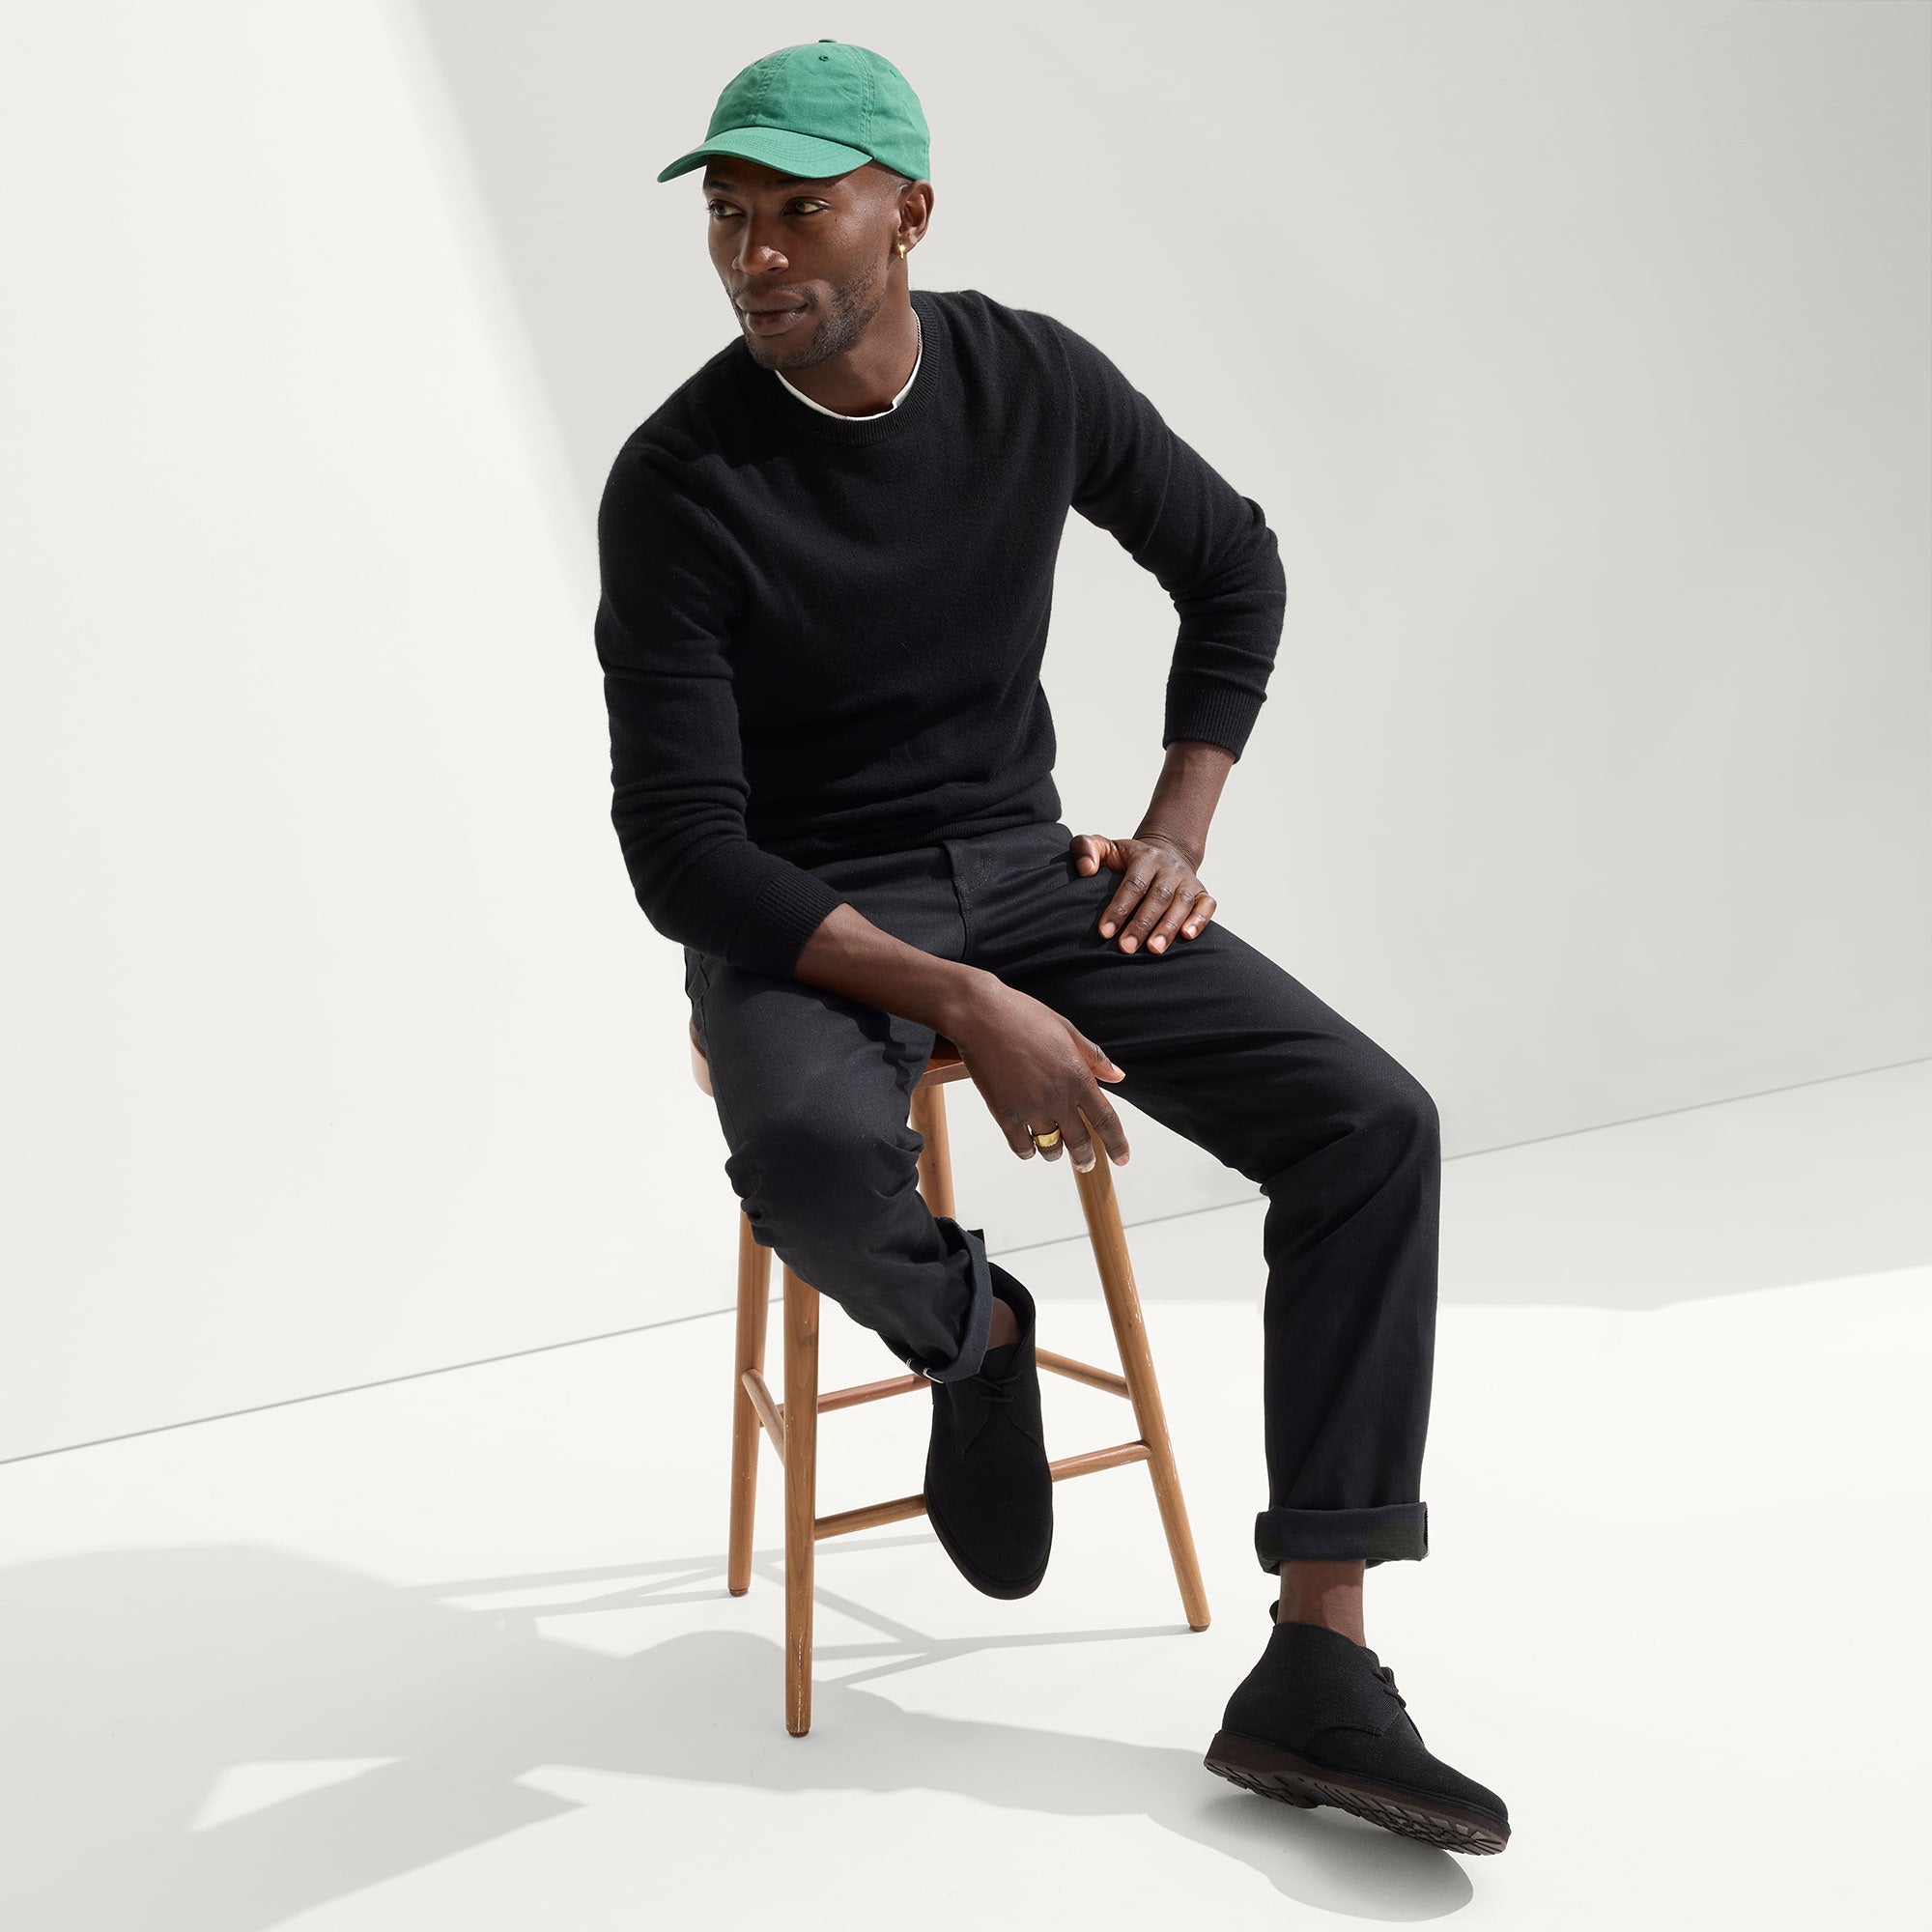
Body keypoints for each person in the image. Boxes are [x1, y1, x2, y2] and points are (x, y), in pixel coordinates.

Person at [595, 38, 1511, 1857]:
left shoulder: (1030, 378)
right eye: (729, 215)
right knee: (809, 1154)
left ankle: (1319, 1659)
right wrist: (966, 1002)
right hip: (805, 909)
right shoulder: (678, 482)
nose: (755, 255)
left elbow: (1233, 564)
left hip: (1026, 869)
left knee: (1371, 1125)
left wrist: (1176, 830)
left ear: (908, 214)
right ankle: (976, 1332)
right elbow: (680, 849)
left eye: (800, 210)